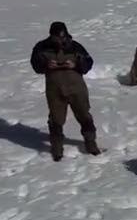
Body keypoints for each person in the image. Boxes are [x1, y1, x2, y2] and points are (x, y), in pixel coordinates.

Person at [29, 21, 98, 161]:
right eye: (57, 38)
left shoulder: (75, 47)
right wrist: (46, 64)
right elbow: (35, 65)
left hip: (77, 88)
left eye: (63, 37)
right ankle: (57, 147)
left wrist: (76, 64)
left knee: (84, 115)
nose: (61, 40)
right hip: (55, 89)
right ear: (51, 36)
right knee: (56, 119)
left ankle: (90, 142)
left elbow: (89, 63)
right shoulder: (42, 47)